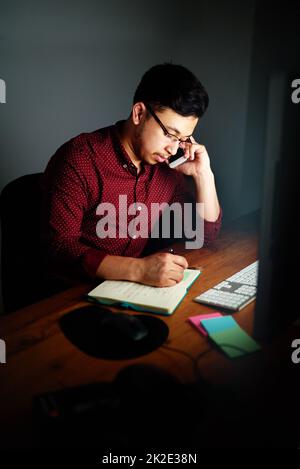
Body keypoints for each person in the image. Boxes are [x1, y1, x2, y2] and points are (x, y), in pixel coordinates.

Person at [40, 63, 222, 289]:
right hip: (71, 294)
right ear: (139, 113)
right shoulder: (80, 157)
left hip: (128, 290)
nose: (173, 149)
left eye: (183, 139)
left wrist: (204, 174)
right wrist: (138, 269)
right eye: (169, 134)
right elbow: (60, 247)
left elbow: (204, 237)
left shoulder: (165, 168)